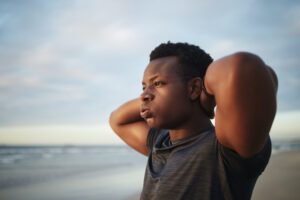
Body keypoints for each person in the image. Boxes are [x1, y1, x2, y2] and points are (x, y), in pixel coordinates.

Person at [109, 42, 278, 200]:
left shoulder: (225, 148)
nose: (144, 95)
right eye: (144, 87)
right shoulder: (159, 142)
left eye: (158, 83)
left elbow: (244, 67)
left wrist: (206, 95)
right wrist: (152, 97)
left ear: (194, 88)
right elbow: (117, 119)